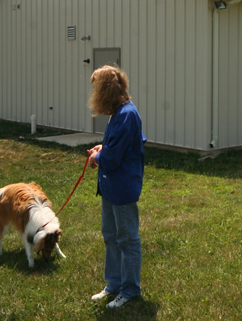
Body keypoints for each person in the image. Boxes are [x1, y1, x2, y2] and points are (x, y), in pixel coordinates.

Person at [87, 65, 146, 309]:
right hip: (111, 188)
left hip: (122, 189)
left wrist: (97, 158)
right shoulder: (117, 113)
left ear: (106, 91)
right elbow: (114, 147)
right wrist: (102, 148)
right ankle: (114, 283)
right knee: (111, 236)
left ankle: (130, 289)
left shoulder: (126, 115)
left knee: (127, 239)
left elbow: (113, 159)